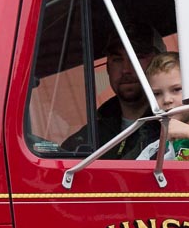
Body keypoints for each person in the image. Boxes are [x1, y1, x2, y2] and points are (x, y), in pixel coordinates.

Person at [62, 22, 165, 159]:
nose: (126, 69)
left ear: (162, 63)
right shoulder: (88, 138)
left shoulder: (179, 123)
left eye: (138, 57)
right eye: (117, 59)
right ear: (107, 68)